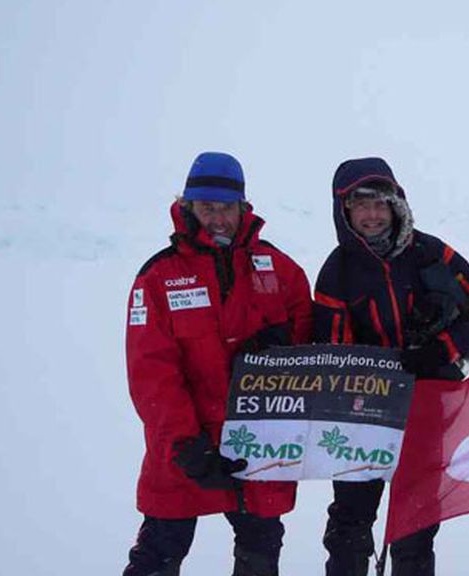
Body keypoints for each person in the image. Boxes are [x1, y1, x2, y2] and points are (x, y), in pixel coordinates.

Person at [312, 157, 469, 576]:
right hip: (359, 418)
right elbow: (334, 352)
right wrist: (370, 377)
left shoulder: (430, 251)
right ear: (344, 211)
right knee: (350, 521)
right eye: (361, 205)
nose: (372, 214)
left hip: (427, 408)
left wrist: (443, 348)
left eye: (381, 203)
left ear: (397, 205)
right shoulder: (336, 272)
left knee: (416, 522)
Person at [123, 152, 312, 576]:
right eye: (207, 207)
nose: (218, 219)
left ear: (243, 208)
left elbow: (312, 346)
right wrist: (188, 446)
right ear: (188, 207)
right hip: (187, 448)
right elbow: (151, 375)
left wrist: (284, 348)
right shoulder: (158, 277)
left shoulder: (280, 270)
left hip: (259, 446)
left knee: (261, 550)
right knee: (159, 551)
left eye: (226, 207)